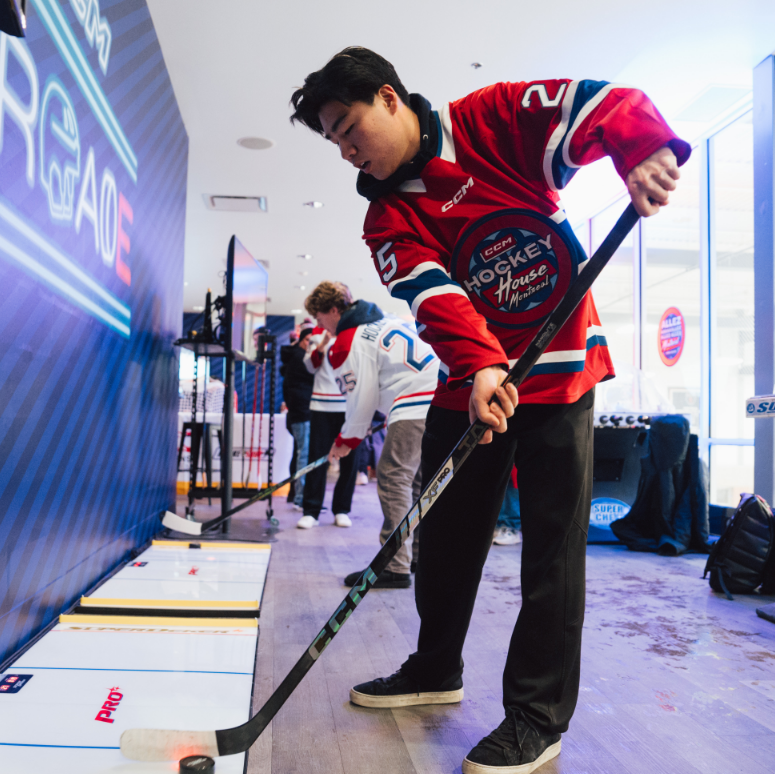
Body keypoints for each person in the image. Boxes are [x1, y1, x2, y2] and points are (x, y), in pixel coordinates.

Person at [290, 48, 684, 774]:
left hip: (561, 369)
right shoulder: (386, 217)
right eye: (333, 141)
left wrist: (642, 149)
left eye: (348, 127)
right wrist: (480, 365)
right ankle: (434, 666)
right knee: (444, 536)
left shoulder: (492, 119)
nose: (346, 150)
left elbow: (597, 102)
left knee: (551, 549)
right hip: (469, 383)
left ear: (389, 97)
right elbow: (434, 294)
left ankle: (537, 717)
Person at [304, 281, 437, 589]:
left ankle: (394, 564)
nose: (321, 327)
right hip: (436, 395)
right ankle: (416, 555)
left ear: (334, 311)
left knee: (393, 477)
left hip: (413, 401)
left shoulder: (349, 340)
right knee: (416, 481)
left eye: (320, 319)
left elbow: (360, 401)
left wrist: (345, 441)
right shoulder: (383, 319)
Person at [298, 283, 358, 529]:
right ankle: (311, 510)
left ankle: (342, 509)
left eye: (319, 314)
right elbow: (310, 366)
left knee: (350, 461)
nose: (318, 320)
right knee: (317, 458)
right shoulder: (316, 334)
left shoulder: (354, 331)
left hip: (349, 405)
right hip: (321, 405)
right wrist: (321, 346)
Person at [280, 323, 315, 507]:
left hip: (300, 413)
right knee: (304, 454)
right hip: (302, 413)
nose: (310, 344)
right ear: (301, 341)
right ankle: (300, 498)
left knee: (301, 453)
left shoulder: (296, 357)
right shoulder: (299, 359)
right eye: (308, 340)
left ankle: (297, 496)